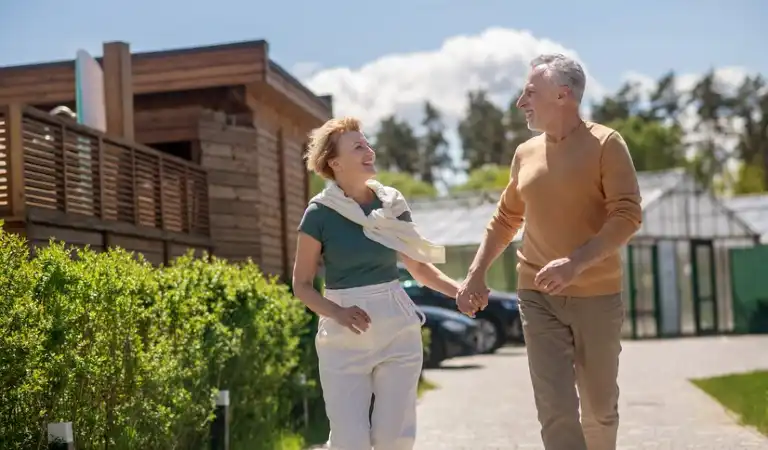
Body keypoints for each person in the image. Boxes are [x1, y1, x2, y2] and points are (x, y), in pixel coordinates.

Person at [457, 54, 643, 450]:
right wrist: (475, 273)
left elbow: (627, 215)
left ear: (563, 95)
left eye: (529, 92)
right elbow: (506, 218)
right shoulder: (525, 153)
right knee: (555, 408)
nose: (520, 102)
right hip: (537, 293)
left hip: (597, 294)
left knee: (599, 409)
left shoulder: (606, 144)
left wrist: (577, 262)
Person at [292, 116, 461, 450]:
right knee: (349, 441)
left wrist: (460, 292)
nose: (369, 150)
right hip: (343, 337)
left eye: (367, 143)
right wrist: (337, 313)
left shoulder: (392, 205)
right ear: (335, 162)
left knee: (394, 439)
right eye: (358, 146)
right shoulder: (319, 214)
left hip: (397, 327)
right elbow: (302, 284)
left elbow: (418, 266)